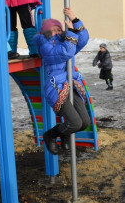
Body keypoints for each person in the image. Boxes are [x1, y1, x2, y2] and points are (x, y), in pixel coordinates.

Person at [33, 8, 91, 155]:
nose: (58, 32)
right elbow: (65, 52)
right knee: (75, 122)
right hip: (56, 86)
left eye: (59, 29)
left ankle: (65, 134)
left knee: (84, 122)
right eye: (53, 30)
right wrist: (70, 34)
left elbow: (83, 39)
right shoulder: (45, 45)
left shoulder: (66, 41)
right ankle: (50, 135)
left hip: (71, 82)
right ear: (46, 32)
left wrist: (75, 20)